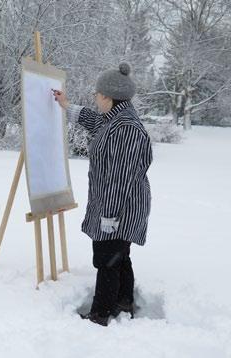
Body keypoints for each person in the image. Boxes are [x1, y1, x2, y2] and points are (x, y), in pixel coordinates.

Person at [52, 63, 153, 326]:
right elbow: (94, 120)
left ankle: (100, 313)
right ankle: (123, 301)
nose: (95, 99)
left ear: (108, 96)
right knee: (120, 255)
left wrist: (108, 216)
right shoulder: (115, 119)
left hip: (120, 206)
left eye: (97, 94)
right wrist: (67, 106)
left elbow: (119, 180)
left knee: (107, 258)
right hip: (120, 204)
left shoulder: (125, 129)